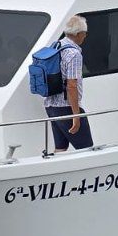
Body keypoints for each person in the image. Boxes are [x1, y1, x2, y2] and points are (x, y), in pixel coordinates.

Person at [44, 15, 92, 150]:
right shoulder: (74, 54)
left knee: (60, 149)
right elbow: (71, 85)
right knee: (87, 149)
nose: (85, 36)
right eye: (84, 33)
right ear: (78, 34)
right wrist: (76, 116)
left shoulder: (56, 46)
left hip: (51, 106)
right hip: (67, 108)